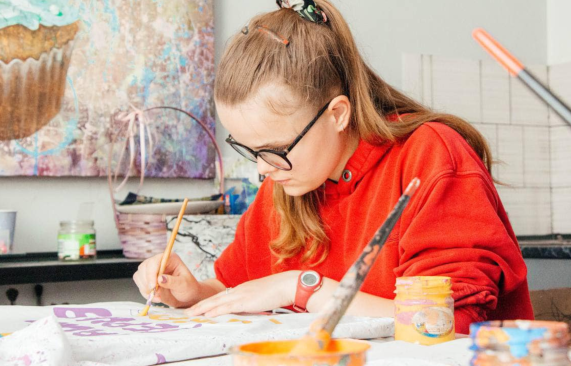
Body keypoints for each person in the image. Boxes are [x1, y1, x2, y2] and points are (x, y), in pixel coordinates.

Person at [133, 0, 534, 333]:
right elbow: (239, 286)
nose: (261, 170)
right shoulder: (289, 176)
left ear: (337, 114)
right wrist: (195, 293)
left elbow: (444, 323)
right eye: (249, 149)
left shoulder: (430, 156)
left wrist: (302, 287)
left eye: (274, 148)